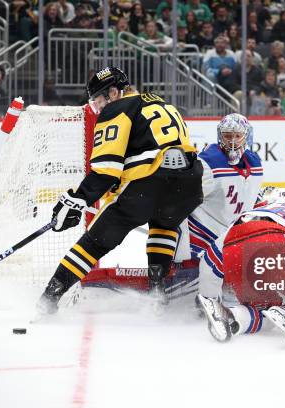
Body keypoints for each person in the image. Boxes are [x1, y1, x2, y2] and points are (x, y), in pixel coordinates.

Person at [37, 67, 203, 314]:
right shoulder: (164, 105)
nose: (98, 107)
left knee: (94, 242)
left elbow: (106, 170)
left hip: (148, 185)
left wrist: (77, 199)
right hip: (188, 186)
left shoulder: (118, 108)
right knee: (164, 224)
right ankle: (157, 295)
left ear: (114, 92)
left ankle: (48, 300)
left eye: (99, 100)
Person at [197, 187, 285, 347]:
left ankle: (230, 316)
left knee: (263, 310)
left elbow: (209, 260)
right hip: (273, 239)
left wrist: (209, 297)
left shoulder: (244, 216)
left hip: (235, 245)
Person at [174, 114, 263, 301]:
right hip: (203, 238)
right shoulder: (209, 162)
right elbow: (182, 200)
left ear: (247, 137)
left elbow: (246, 196)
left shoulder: (254, 163)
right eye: (227, 136)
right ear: (219, 136)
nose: (232, 141)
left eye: (237, 136)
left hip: (230, 237)